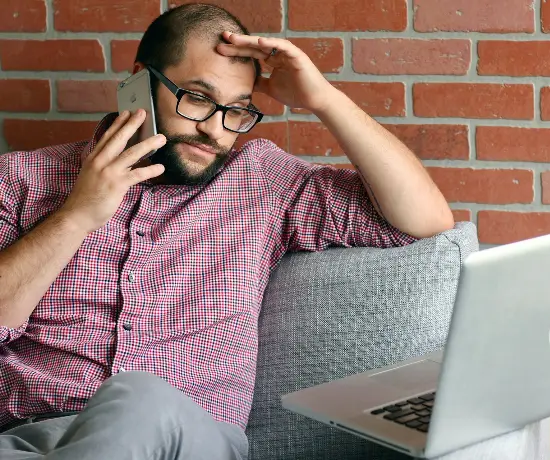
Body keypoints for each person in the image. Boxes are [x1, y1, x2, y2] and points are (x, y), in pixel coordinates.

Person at [0, 3, 454, 459]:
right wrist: (77, 216)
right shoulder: (22, 179)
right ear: (140, 82)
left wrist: (323, 99)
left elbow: (424, 219)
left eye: (236, 111)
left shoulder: (261, 183)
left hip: (185, 440)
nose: (215, 131)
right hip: (25, 440)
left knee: (137, 399)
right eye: (197, 98)